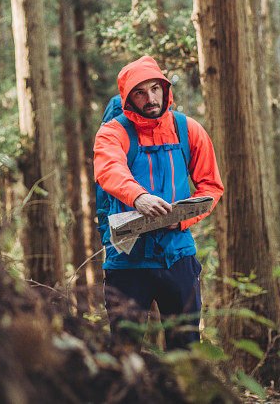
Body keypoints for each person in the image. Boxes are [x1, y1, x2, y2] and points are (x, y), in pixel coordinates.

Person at [93, 55, 224, 349]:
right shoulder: (112, 132)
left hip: (177, 255)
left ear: (165, 89)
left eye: (155, 88)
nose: (150, 98)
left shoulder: (189, 130)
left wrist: (182, 218)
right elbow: (108, 169)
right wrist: (138, 197)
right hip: (127, 259)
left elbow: (211, 186)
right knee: (125, 350)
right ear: (127, 98)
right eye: (140, 92)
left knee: (186, 348)